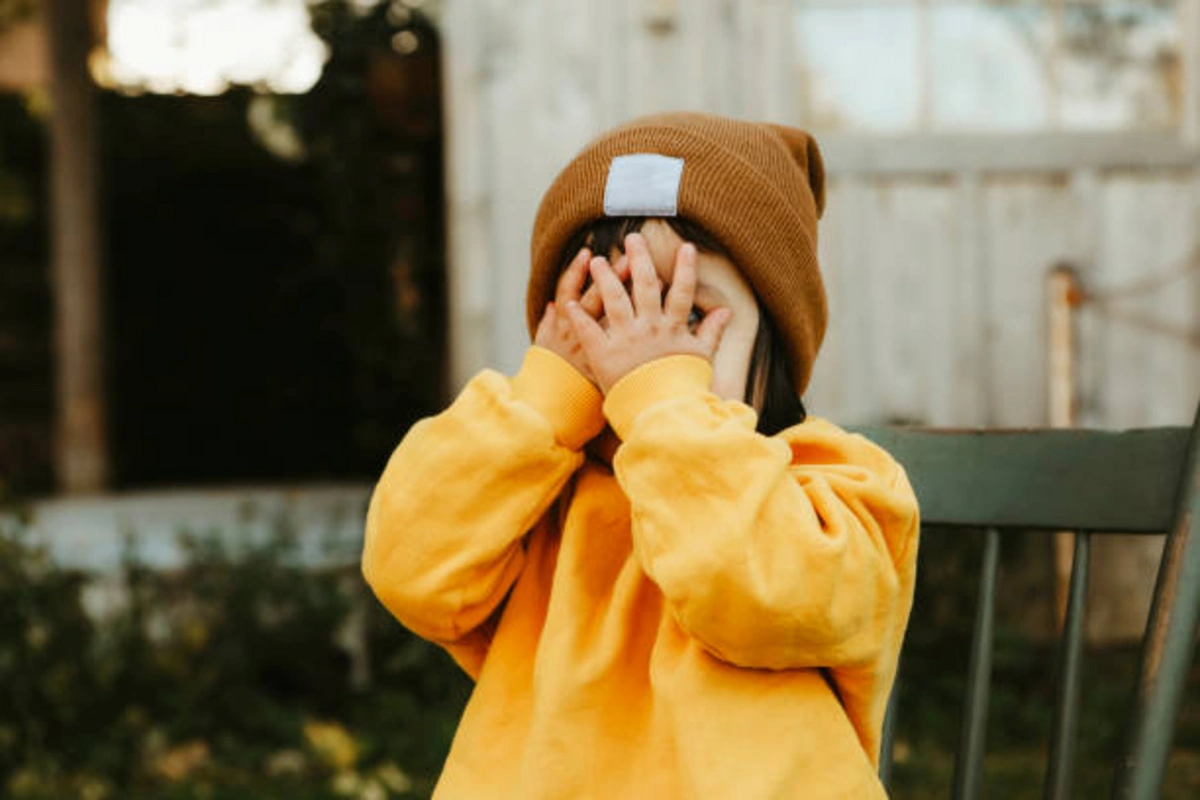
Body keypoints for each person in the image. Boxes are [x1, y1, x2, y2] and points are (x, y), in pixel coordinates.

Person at [361, 112, 920, 799]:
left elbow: (765, 597)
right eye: (604, 309)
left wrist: (665, 407)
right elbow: (409, 571)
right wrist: (547, 397)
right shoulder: (532, 495)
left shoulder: (836, 485)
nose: (639, 347)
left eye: (690, 316)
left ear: (776, 342)